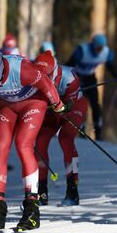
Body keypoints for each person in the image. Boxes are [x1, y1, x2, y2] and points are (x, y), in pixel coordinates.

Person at [0, 48, 66, 231]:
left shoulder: (21, 70)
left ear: (0, 68)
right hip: (6, 105)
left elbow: (45, 83)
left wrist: (57, 104)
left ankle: (32, 209)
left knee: (23, 144)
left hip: (33, 102)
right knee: (1, 147)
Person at [34, 50, 88, 206]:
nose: (41, 79)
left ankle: (73, 190)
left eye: (46, 76)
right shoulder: (35, 76)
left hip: (73, 107)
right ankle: (41, 192)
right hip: (52, 109)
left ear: (54, 72)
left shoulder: (69, 76)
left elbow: (68, 105)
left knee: (65, 139)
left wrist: (55, 105)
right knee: (41, 142)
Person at [66, 34, 117, 140]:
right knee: (80, 104)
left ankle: (98, 132)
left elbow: (111, 67)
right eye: (97, 48)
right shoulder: (82, 51)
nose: (99, 50)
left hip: (90, 77)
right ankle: (81, 130)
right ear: (93, 45)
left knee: (95, 104)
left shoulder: (106, 52)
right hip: (77, 76)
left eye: (101, 48)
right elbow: (69, 65)